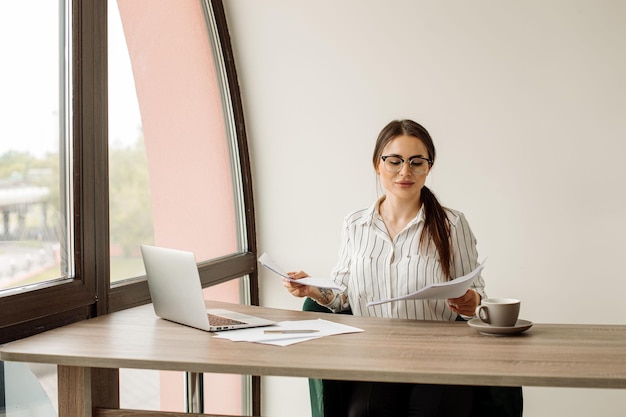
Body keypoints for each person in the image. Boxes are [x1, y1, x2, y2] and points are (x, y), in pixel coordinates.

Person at [283, 119, 486, 417]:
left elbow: (478, 295)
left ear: (429, 167)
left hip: (440, 357)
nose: (405, 172)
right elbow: (343, 296)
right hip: (375, 357)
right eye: (395, 161)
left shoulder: (452, 224)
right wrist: (313, 289)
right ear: (377, 164)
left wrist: (470, 301)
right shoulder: (355, 224)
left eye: (417, 162)